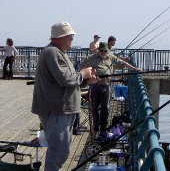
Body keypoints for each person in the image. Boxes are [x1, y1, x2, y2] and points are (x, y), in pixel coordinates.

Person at [31, 22, 97, 171]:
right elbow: (65, 79)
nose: (72, 40)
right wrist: (83, 74)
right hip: (57, 110)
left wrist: (86, 81)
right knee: (59, 151)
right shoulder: (52, 52)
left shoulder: (59, 53)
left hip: (62, 109)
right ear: (60, 37)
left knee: (62, 149)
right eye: (70, 37)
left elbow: (67, 81)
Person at [80, 42, 142, 135]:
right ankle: (95, 126)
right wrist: (89, 75)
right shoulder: (92, 58)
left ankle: (103, 127)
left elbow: (123, 63)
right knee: (94, 107)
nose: (103, 52)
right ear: (98, 50)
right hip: (95, 86)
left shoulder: (111, 57)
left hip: (106, 85)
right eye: (101, 50)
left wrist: (134, 69)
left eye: (105, 51)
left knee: (105, 107)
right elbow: (81, 66)